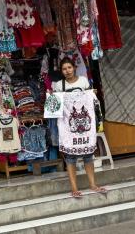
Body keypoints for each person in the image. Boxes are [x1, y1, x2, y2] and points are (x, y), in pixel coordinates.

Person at [53, 57, 107, 198]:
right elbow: (55, 107)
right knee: (70, 157)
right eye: (64, 69)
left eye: (69, 68)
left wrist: (92, 94)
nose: (67, 71)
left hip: (85, 126)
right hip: (68, 126)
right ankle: (74, 188)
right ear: (61, 71)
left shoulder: (83, 81)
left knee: (88, 155)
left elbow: (90, 100)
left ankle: (93, 184)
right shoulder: (58, 85)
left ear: (74, 68)